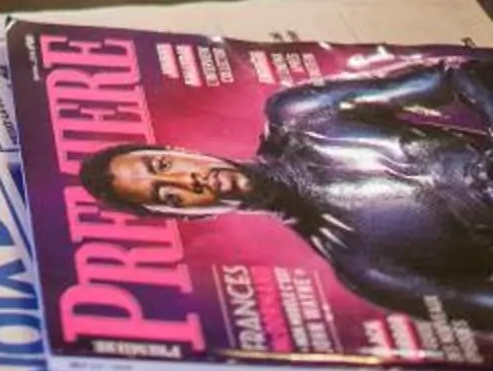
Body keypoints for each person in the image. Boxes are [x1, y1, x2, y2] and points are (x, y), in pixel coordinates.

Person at [77, 51, 493, 329]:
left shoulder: (302, 115)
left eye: (163, 166)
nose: (189, 180)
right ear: (187, 214)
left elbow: (454, 76)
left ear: (177, 150)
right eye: (169, 195)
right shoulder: (364, 266)